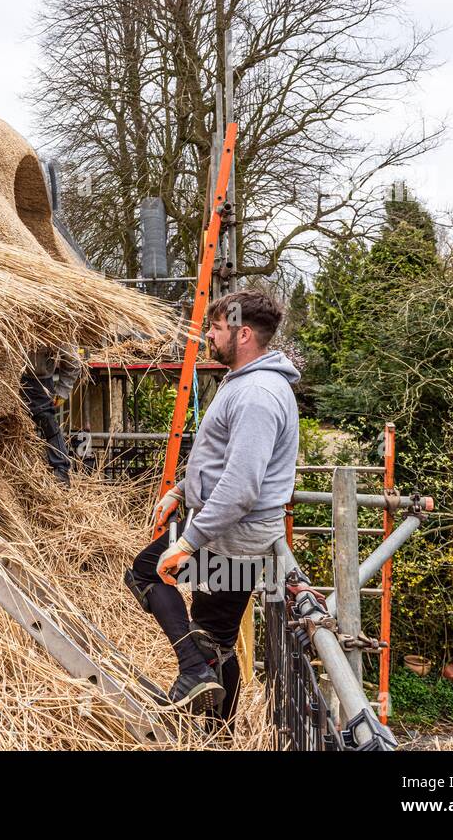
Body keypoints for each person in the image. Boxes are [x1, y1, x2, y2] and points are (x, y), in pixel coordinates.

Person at [124, 290, 299, 718]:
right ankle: (207, 707)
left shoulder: (258, 394)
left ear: (242, 334)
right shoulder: (243, 382)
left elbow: (240, 487)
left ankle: (201, 693)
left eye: (216, 329)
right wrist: (181, 491)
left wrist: (188, 542)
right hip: (227, 534)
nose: (208, 336)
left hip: (233, 539)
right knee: (210, 634)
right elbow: (220, 459)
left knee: (154, 577)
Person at [22, 346, 82, 484]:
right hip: (8, 378)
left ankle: (61, 468)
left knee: (46, 419)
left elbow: (73, 362)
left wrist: (62, 390)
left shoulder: (54, 328)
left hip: (39, 380)